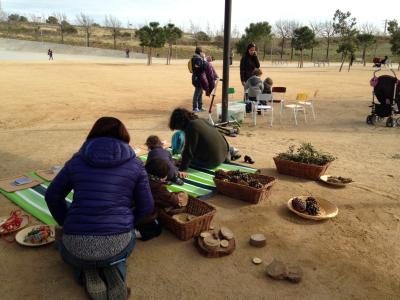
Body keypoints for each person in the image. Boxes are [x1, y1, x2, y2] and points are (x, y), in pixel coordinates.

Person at [45, 116, 154, 299]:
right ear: (124, 137)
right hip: (118, 243)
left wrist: (67, 222)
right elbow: (147, 206)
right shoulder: (135, 164)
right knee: (115, 252)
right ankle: (114, 268)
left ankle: (85, 271)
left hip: (76, 244)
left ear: (93, 134)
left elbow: (52, 195)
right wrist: (127, 222)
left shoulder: (77, 160)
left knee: (64, 246)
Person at [169, 108, 240, 171]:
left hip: (213, 161)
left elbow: (188, 151)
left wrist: (182, 169)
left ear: (180, 123)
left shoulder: (191, 126)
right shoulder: (202, 120)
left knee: (185, 158)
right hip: (225, 155)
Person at [191, 46, 206, 112]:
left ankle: (200, 107)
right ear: (200, 52)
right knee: (197, 93)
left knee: (200, 92)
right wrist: (204, 59)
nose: (203, 53)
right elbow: (198, 67)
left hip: (197, 77)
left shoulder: (195, 57)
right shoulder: (197, 58)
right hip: (198, 78)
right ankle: (195, 108)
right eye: (202, 52)